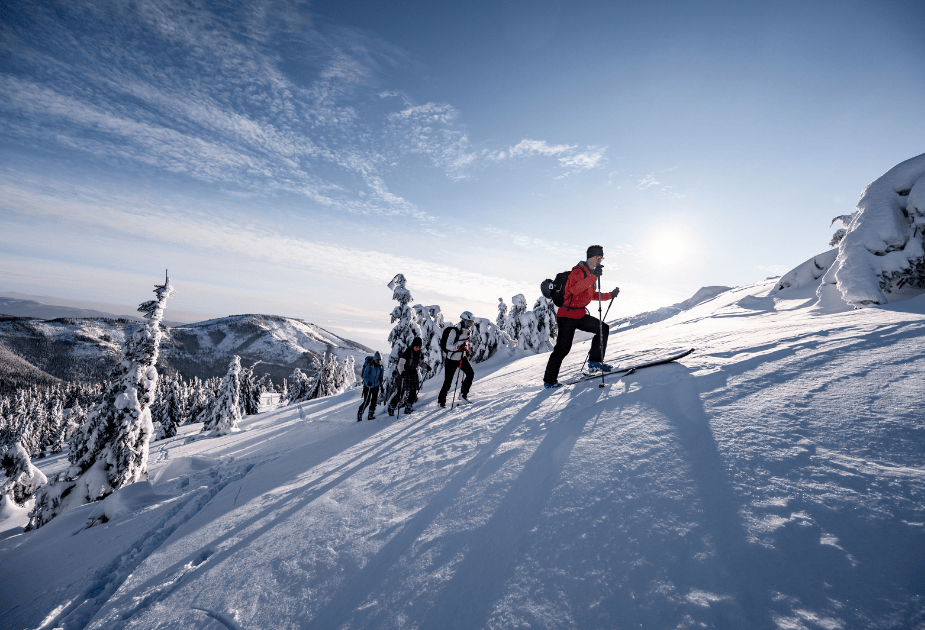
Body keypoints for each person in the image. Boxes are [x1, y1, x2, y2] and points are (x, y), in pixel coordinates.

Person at [543, 245, 620, 388]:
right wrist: (594, 277)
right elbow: (575, 289)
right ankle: (549, 381)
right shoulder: (577, 272)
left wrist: (610, 295)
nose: (599, 261)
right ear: (590, 257)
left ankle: (595, 362)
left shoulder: (591, 275)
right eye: (598, 257)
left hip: (579, 314)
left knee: (602, 329)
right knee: (562, 349)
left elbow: (590, 295)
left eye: (601, 258)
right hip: (566, 315)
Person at [437, 311, 476, 407]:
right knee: (448, 382)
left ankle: (463, 395)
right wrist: (458, 348)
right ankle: (441, 403)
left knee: (470, 374)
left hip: (461, 358)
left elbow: (463, 343)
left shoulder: (467, 332)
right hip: (451, 359)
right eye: (468, 322)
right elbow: (448, 345)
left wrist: (465, 350)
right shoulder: (454, 331)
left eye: (471, 323)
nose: (470, 325)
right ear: (463, 321)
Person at [388, 337, 423, 415]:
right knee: (400, 393)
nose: (417, 348)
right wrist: (402, 372)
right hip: (404, 374)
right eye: (416, 347)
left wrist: (426, 366)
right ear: (413, 345)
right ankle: (391, 406)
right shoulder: (408, 352)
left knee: (413, 392)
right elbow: (400, 364)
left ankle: (408, 407)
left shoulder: (419, 353)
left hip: (413, 374)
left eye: (419, 347)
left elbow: (420, 362)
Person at [357, 351, 383, 421]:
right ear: (374, 359)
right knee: (367, 401)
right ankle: (360, 413)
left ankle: (370, 415)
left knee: (374, 401)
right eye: (377, 360)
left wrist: (382, 386)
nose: (378, 362)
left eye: (379, 360)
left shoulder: (381, 367)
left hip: (376, 386)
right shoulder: (370, 365)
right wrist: (367, 382)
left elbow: (381, 377)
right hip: (368, 386)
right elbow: (364, 376)